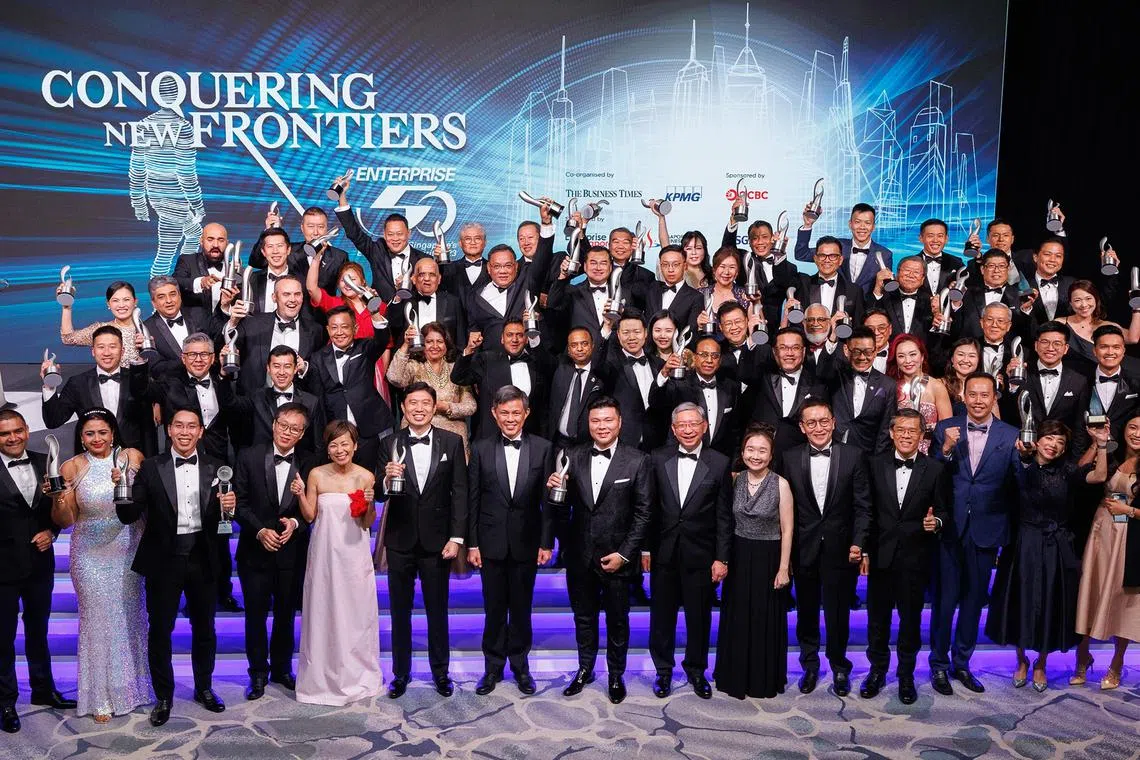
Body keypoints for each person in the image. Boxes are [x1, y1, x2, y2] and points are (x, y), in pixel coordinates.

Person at [116, 408, 231, 727]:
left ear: (201, 431)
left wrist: (228, 510)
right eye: (178, 425)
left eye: (191, 426)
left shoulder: (217, 467)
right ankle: (164, 695)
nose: (184, 431)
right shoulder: (151, 468)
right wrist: (123, 487)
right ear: (169, 430)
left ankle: (204, 688)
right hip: (163, 560)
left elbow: (223, 522)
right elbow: (129, 515)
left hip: (203, 558)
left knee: (205, 629)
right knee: (161, 631)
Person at [986, 420, 1108, 691]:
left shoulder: (1067, 471)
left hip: (1056, 544)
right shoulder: (1020, 464)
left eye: (1060, 442)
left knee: (1049, 603)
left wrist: (1100, 445)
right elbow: (1008, 482)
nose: (1053, 445)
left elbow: (1099, 477)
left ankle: (1040, 662)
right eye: (1049, 438)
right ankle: (1021, 661)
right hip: (1023, 543)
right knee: (1019, 602)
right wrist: (1023, 455)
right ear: (1037, 440)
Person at [547, 397, 652, 704]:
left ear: (619, 422)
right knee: (583, 618)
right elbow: (562, 511)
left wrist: (625, 554)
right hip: (580, 556)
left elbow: (644, 513)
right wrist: (554, 492)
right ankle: (585, 669)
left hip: (618, 558)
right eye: (595, 421)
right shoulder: (572, 456)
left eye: (608, 420)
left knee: (618, 620)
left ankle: (616, 675)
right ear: (588, 424)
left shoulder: (637, 460)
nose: (601, 426)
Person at [48, 409, 149, 722]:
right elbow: (65, 521)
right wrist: (59, 498)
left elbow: (145, 498)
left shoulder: (131, 457)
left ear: (113, 433)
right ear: (81, 436)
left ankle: (132, 690)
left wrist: (128, 480)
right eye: (90, 433)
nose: (96, 439)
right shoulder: (72, 466)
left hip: (127, 549)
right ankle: (100, 696)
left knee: (128, 619)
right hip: (88, 553)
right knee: (97, 622)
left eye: (102, 432)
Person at [929, 372, 1020, 696]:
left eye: (985, 395)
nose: (979, 400)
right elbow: (932, 476)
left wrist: (1026, 460)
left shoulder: (1011, 435)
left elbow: (1017, 484)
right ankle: (938, 664)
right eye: (973, 394)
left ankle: (962, 663)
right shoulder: (944, 429)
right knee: (944, 601)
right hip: (950, 529)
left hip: (986, 528)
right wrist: (947, 449)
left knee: (972, 602)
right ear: (963, 397)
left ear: (994, 398)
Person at [378, 383, 468, 698]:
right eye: (412, 403)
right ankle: (400, 674)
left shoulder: (452, 442)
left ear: (433, 407)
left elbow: (460, 492)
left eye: (425, 403)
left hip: (437, 542)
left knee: (437, 610)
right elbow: (379, 492)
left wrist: (456, 538)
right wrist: (387, 479)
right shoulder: (388, 442)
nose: (418, 408)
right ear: (403, 407)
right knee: (399, 612)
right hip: (400, 541)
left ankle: (440, 673)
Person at [467, 386, 555, 696]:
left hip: (527, 542)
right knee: (493, 609)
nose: (510, 418)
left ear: (526, 413)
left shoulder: (544, 448)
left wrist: (546, 542)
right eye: (504, 413)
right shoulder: (479, 448)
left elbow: (547, 501)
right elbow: (473, 499)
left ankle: (520, 666)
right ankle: (492, 668)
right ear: (493, 413)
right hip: (490, 543)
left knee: (521, 608)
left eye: (516, 412)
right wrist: (472, 543)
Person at [780, 399, 871, 696]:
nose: (818, 427)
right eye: (811, 423)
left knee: (838, 613)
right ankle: (809, 665)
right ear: (802, 427)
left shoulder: (854, 456)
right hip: (803, 548)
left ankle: (839, 666)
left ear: (833, 423)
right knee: (806, 612)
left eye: (823, 421)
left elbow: (863, 506)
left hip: (841, 548)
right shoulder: (789, 457)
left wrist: (859, 543)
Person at [860, 409, 948, 704]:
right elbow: (866, 512)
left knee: (910, 622)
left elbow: (945, 511)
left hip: (916, 557)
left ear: (922, 436)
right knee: (877, 620)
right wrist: (865, 550)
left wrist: (935, 523)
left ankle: (906, 676)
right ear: (892, 433)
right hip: (881, 557)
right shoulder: (873, 465)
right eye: (902, 430)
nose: (907, 435)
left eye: (913, 430)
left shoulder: (935, 469)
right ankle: (877, 671)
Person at [644, 403, 732, 699]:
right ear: (673, 429)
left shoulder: (719, 463)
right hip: (664, 553)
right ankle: (663, 671)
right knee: (661, 618)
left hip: (702, 556)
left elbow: (724, 516)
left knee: (699, 618)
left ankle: (696, 670)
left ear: (704, 426)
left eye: (693, 424)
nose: (688, 430)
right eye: (681, 425)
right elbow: (649, 509)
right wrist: (645, 550)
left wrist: (722, 557)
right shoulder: (657, 458)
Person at [233, 403, 318, 700]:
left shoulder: (309, 462)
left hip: (291, 552)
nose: (287, 432)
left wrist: (295, 522)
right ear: (273, 425)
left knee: (286, 614)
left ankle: (282, 669)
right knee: (255, 615)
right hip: (254, 552)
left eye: (295, 429)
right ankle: (257, 673)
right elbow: (238, 504)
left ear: (303, 433)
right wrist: (259, 531)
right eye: (284, 425)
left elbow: (313, 511)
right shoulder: (248, 455)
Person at [294, 420, 381, 705]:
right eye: (334, 444)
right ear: (327, 448)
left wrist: (369, 504)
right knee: (323, 612)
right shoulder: (317, 474)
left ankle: (356, 676)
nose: (340, 449)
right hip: (324, 555)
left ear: (355, 446)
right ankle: (321, 679)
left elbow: (367, 522)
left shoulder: (366, 477)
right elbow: (309, 515)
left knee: (356, 615)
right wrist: (298, 494)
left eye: (345, 443)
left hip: (354, 555)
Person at [0, 409, 73, 734]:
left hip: (39, 565)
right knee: (2, 639)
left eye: (17, 431)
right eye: (4, 434)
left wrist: (51, 533)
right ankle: (6, 701)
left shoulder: (47, 460)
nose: (12, 438)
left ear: (27, 430)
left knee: (38, 632)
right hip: (1, 569)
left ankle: (43, 689)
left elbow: (54, 512)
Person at [714, 424, 792, 699]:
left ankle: (762, 680)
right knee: (737, 618)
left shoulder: (780, 484)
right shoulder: (734, 480)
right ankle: (733, 677)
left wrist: (784, 568)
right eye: (750, 449)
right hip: (738, 556)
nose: (755, 455)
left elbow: (787, 529)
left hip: (768, 558)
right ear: (743, 452)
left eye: (762, 450)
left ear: (771, 455)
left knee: (763, 620)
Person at [1072, 413, 1140, 691]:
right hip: (1101, 531)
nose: (1137, 433)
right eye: (1133, 427)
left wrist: (1130, 510)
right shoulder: (1111, 454)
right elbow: (1080, 473)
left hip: (1130, 536)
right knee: (1092, 589)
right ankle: (1082, 656)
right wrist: (1098, 442)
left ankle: (1117, 663)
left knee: (1119, 598)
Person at [41, 324, 157, 455]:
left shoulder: (138, 379)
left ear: (122, 351)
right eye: (101, 347)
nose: (107, 353)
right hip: (91, 462)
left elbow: (149, 429)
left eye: (113, 347)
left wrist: (150, 465)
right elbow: (53, 420)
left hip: (134, 460)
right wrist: (49, 386)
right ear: (93, 351)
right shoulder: (78, 383)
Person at [307, 305, 394, 467]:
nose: (339, 332)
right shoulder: (318, 358)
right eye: (334, 328)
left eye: (345, 327)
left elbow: (382, 339)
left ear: (355, 328)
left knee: (370, 479)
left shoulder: (365, 347)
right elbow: (318, 397)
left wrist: (374, 313)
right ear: (327, 329)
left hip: (369, 427)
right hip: (338, 432)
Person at [387, 321, 476, 448]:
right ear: (422, 344)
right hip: (417, 433)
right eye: (429, 342)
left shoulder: (456, 369)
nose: (435, 346)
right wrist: (407, 344)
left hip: (453, 437)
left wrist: (445, 407)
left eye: (440, 341)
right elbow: (394, 378)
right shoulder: (414, 366)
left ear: (446, 345)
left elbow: (471, 406)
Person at [815, 326, 896, 454]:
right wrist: (832, 337)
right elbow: (822, 371)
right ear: (846, 350)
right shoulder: (836, 375)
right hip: (834, 451)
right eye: (857, 352)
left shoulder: (888, 384)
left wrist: (877, 462)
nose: (862, 357)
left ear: (875, 352)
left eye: (868, 352)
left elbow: (885, 431)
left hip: (867, 455)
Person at [795, 202, 893, 295]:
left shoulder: (885, 254)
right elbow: (802, 254)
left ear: (873, 227)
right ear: (850, 224)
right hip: (835, 307)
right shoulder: (837, 246)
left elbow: (885, 288)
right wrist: (808, 224)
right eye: (857, 222)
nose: (862, 227)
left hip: (868, 310)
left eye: (867, 223)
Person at [888, 334, 953, 453]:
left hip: (930, 451)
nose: (908, 361)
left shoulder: (936, 386)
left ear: (922, 356)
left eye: (913, 354)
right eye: (901, 356)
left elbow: (947, 427)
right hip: (897, 450)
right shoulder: (891, 387)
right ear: (896, 360)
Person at [59, 281, 143, 368]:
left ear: (135, 301)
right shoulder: (101, 330)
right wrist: (66, 307)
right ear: (108, 304)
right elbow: (67, 339)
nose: (121, 305)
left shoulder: (148, 329)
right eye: (115, 300)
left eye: (126, 299)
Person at [142, 275, 208, 379]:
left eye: (172, 294)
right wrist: (186, 361)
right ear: (153, 303)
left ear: (180, 296)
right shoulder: (147, 329)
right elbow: (155, 368)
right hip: (172, 391)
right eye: (161, 297)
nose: (169, 301)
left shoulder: (198, 315)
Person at [942, 338, 981, 416]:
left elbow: (997, 423)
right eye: (960, 354)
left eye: (972, 356)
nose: (966, 360)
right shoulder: (941, 384)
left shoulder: (984, 386)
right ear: (952, 359)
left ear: (978, 360)